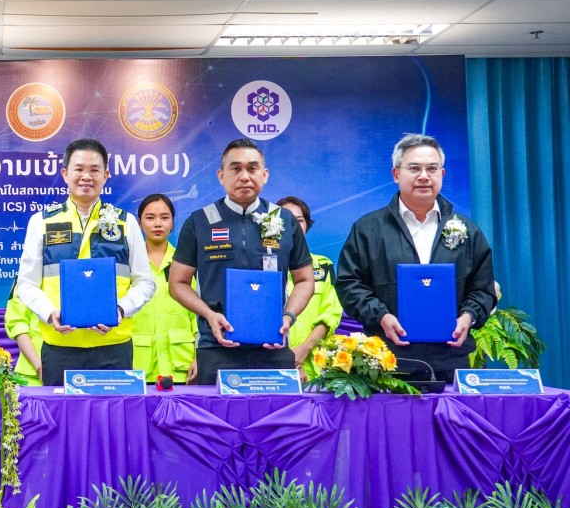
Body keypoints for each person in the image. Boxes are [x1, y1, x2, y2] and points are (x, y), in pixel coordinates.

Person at [336, 133, 496, 383]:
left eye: (432, 168)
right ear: (396, 174)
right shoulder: (368, 229)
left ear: (442, 174)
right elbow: (349, 284)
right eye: (414, 168)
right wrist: (381, 316)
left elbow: (483, 289)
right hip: (385, 358)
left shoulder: (467, 230)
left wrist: (468, 316)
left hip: (450, 359)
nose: (423, 176)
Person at [168, 138, 315, 386]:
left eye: (252, 168)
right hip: (216, 346)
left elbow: (305, 280)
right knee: (214, 412)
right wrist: (209, 315)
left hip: (273, 345)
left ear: (265, 175)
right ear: (221, 176)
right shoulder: (199, 222)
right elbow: (177, 283)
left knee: (275, 412)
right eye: (235, 169)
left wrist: (288, 317)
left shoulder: (285, 220)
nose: (244, 176)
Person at [16, 138, 156, 386]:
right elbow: (26, 284)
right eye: (79, 169)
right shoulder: (42, 222)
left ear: (106, 175)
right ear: (65, 174)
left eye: (94, 170)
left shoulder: (125, 223)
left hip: (114, 348)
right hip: (60, 348)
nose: (86, 177)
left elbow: (145, 282)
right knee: (60, 413)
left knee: (114, 412)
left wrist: (120, 310)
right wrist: (49, 313)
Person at [130, 194, 197, 384]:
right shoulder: (129, 264)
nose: (157, 224)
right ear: (139, 223)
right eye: (150, 218)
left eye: (164, 217)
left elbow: (197, 317)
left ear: (173, 223)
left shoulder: (187, 264)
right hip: (138, 367)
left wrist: (198, 357)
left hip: (182, 366)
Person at [275, 195, 344, 377]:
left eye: (299, 221)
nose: (293, 226)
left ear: (307, 226)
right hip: (273, 364)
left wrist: (304, 349)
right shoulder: (263, 265)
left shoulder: (323, 266)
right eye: (286, 220)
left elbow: (330, 316)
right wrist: (285, 358)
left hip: (316, 366)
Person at [3, 279, 43, 385]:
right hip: (33, 372)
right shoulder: (24, 278)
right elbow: (17, 325)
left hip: (82, 368)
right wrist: (39, 367)